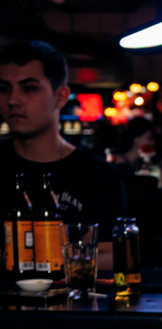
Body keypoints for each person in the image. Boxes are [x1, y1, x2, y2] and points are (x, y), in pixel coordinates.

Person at [0, 41, 126, 249]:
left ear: (60, 96)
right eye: (4, 88)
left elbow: (112, 255)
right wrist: (75, 250)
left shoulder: (98, 176)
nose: (13, 100)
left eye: (28, 88)